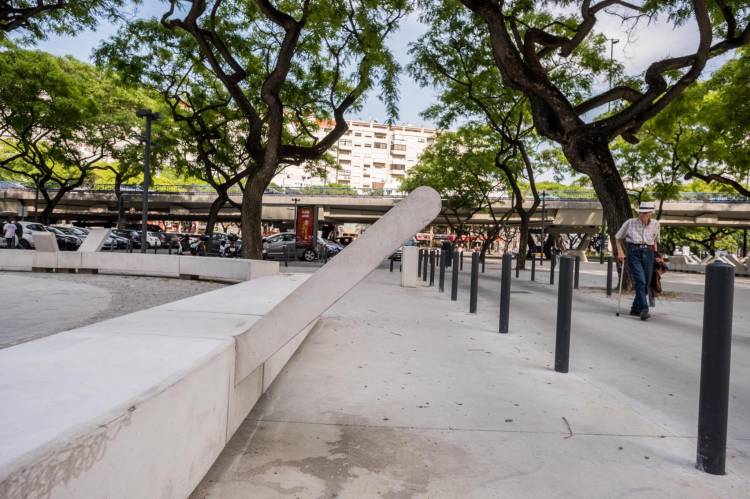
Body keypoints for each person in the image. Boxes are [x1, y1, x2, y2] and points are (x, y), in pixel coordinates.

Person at [615, 202, 662, 321]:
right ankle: (644, 309)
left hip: (649, 253)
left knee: (646, 283)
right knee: (640, 281)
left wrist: (657, 255)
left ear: (650, 214)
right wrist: (620, 252)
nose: (642, 214)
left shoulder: (656, 224)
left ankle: (635, 308)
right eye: (641, 212)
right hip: (634, 252)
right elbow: (617, 238)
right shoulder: (630, 222)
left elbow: (655, 241)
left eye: (645, 213)